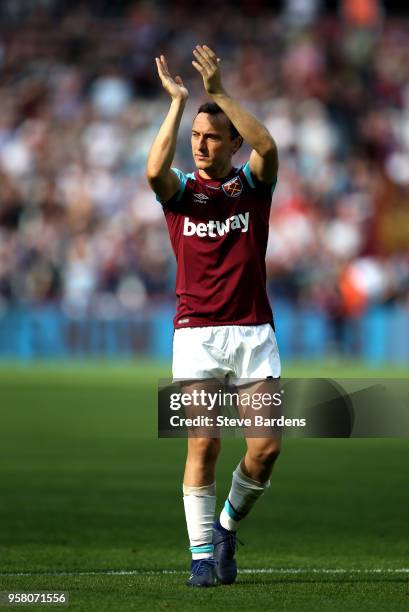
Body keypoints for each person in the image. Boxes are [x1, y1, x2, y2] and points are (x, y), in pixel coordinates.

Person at [146, 45, 281, 587]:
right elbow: (154, 170)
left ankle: (226, 523)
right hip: (196, 333)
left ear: (233, 144)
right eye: (196, 137)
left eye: (211, 137)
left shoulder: (252, 186)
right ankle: (202, 556)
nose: (200, 145)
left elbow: (268, 145)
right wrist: (179, 103)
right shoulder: (183, 194)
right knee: (203, 442)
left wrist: (219, 91)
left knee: (266, 449)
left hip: (253, 329)